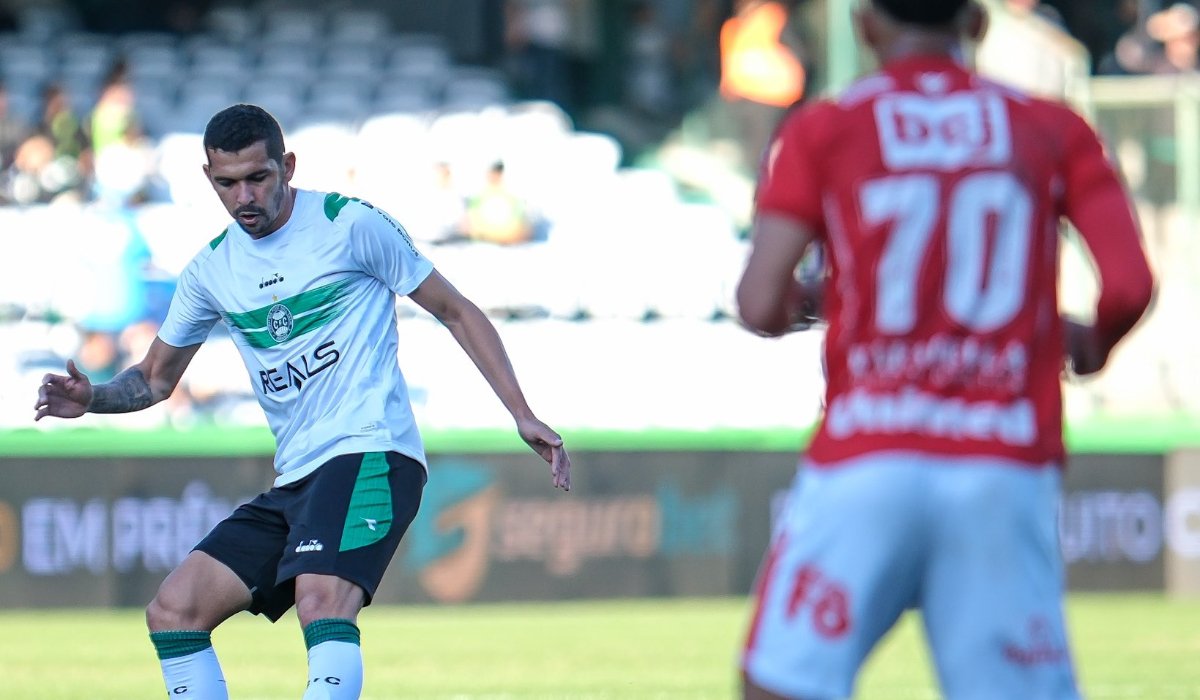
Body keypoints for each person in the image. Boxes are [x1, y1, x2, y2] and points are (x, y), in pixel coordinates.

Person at [34, 104, 571, 700]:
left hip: (372, 452)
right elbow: (155, 380)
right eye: (227, 183)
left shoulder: (350, 224)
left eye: (258, 177)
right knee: (174, 610)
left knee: (321, 601)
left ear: (287, 166)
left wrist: (520, 411)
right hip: (298, 477)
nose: (244, 196)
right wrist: (95, 399)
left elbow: (455, 309)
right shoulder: (211, 270)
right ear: (208, 177)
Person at [735, 2, 1154, 699]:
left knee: (781, 683)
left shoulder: (827, 127)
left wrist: (818, 302)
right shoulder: (1051, 128)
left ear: (866, 26)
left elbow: (758, 302)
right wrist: (1089, 342)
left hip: (868, 454)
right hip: (1002, 462)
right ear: (977, 24)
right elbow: (1129, 286)